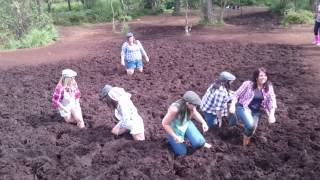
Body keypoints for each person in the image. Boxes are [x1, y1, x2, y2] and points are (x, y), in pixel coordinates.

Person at [229, 67, 277, 146]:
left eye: (265, 75)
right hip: (243, 107)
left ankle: (245, 145)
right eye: (261, 75)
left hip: (256, 111)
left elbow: (272, 100)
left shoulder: (268, 87)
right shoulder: (248, 84)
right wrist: (232, 105)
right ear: (256, 77)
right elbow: (236, 94)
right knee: (250, 125)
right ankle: (236, 117)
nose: (263, 77)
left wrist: (271, 115)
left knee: (252, 130)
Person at [162, 91, 212, 156]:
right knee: (182, 153)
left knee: (199, 143)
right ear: (188, 103)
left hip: (185, 124)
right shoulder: (174, 109)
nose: (195, 107)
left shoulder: (191, 107)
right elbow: (165, 124)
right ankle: (171, 143)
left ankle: (201, 142)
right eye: (194, 105)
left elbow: (195, 113)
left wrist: (203, 122)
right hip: (174, 130)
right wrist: (175, 136)